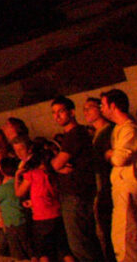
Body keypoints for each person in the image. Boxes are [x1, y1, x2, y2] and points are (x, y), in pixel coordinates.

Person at [100, 89, 137, 262]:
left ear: (113, 106)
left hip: (130, 191)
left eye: (103, 104)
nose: (101, 109)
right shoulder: (119, 129)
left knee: (129, 242)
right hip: (123, 191)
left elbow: (119, 158)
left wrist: (110, 154)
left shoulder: (131, 130)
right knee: (123, 241)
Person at [49, 96, 101, 262]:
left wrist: (56, 164)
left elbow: (56, 164)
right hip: (74, 195)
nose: (57, 116)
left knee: (80, 243)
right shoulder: (69, 136)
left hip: (76, 195)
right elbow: (55, 164)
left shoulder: (76, 134)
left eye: (61, 111)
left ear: (71, 112)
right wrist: (55, 164)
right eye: (54, 113)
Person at [15, 140, 67, 262]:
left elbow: (19, 193)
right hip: (57, 215)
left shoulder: (32, 174)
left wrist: (17, 177)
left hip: (41, 218)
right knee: (64, 250)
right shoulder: (53, 173)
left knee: (43, 253)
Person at [83, 96, 116, 262]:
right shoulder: (95, 135)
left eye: (90, 107)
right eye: (84, 108)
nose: (86, 111)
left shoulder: (110, 132)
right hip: (100, 189)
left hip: (110, 189)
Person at [0, 158, 32, 261]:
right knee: (28, 246)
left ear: (2, 171)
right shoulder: (21, 182)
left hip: (11, 222)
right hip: (23, 219)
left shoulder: (4, 188)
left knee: (15, 249)